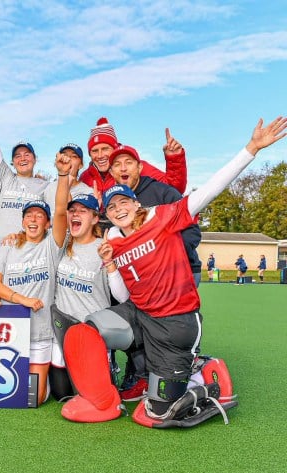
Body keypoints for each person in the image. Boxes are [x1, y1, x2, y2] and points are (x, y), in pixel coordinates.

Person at [61, 116, 286, 428]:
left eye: (123, 202)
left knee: (154, 414)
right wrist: (111, 265)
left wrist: (251, 149)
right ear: (107, 215)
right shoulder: (113, 238)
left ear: (136, 202)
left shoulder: (164, 216)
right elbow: (124, 295)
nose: (119, 209)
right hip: (140, 313)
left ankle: (205, 375)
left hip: (175, 324)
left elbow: (210, 189)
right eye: (112, 208)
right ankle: (102, 401)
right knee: (86, 331)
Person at [107, 139, 202, 400]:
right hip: (140, 280)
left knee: (172, 331)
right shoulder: (115, 206)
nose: (123, 168)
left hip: (180, 272)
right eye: (117, 165)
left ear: (140, 166)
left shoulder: (163, 192)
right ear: (111, 172)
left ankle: (192, 368)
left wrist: (162, 256)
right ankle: (141, 376)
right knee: (141, 327)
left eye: (128, 162)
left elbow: (192, 231)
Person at [0, 163, 69, 406]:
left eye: (39, 216)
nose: (33, 219)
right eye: (29, 215)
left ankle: (54, 377)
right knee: (4, 393)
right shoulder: (9, 246)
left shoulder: (51, 247)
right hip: (11, 332)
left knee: (34, 398)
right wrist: (22, 300)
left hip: (41, 333)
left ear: (47, 223)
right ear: (22, 221)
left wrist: (63, 176)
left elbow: (62, 211)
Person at [50, 153, 128, 401]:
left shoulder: (104, 247)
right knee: (62, 394)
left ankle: (108, 364)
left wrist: (110, 264)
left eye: (84, 211)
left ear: (95, 218)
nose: (76, 214)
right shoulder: (64, 244)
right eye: (74, 210)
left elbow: (122, 296)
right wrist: (63, 176)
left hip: (93, 333)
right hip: (63, 333)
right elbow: (60, 211)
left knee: (95, 397)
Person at [0, 87, 50, 241]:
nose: (23, 158)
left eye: (27, 154)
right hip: (0, 251)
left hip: (28, 251)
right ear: (12, 162)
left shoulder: (45, 186)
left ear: (35, 158)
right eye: (18, 156)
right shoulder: (6, 178)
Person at [79, 117, 187, 195]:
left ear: (115, 149)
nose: (100, 155)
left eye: (105, 149)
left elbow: (173, 190)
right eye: (94, 151)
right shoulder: (85, 177)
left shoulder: (136, 167)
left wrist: (175, 159)